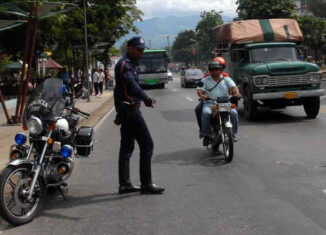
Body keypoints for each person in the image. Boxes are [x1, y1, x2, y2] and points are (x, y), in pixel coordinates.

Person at [114, 36, 165, 195]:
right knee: (147, 145)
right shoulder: (124, 64)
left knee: (127, 147)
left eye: (142, 49)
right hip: (130, 110)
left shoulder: (131, 64)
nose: (141, 52)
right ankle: (146, 184)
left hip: (128, 110)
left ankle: (125, 184)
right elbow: (130, 85)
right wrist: (146, 98)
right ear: (130, 48)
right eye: (139, 49)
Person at [197, 60, 242, 146]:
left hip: (224, 103)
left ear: (220, 70)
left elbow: (233, 86)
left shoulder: (226, 79)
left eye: (217, 69)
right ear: (209, 71)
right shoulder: (205, 80)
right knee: (205, 113)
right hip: (210, 103)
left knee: (234, 113)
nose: (214, 71)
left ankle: (233, 133)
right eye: (212, 70)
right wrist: (202, 95)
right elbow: (199, 90)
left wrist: (236, 93)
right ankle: (206, 135)